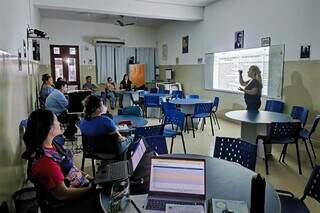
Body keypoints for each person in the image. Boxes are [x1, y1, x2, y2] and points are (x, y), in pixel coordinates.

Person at [23, 109, 103, 212]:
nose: (59, 123)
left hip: (80, 186)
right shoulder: (46, 162)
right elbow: (63, 194)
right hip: (66, 204)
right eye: (56, 120)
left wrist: (90, 178)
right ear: (49, 128)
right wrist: (93, 190)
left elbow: (71, 168)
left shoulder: (52, 144)